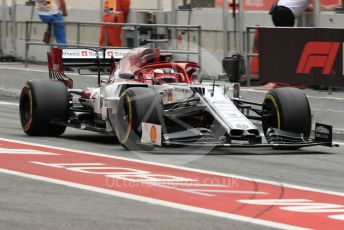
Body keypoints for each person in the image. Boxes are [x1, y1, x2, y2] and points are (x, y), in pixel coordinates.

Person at [270, 0, 339, 27]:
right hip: (285, 14)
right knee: (287, 38)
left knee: (282, 38)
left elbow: (307, 7)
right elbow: (321, 8)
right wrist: (334, 7)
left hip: (276, 12)